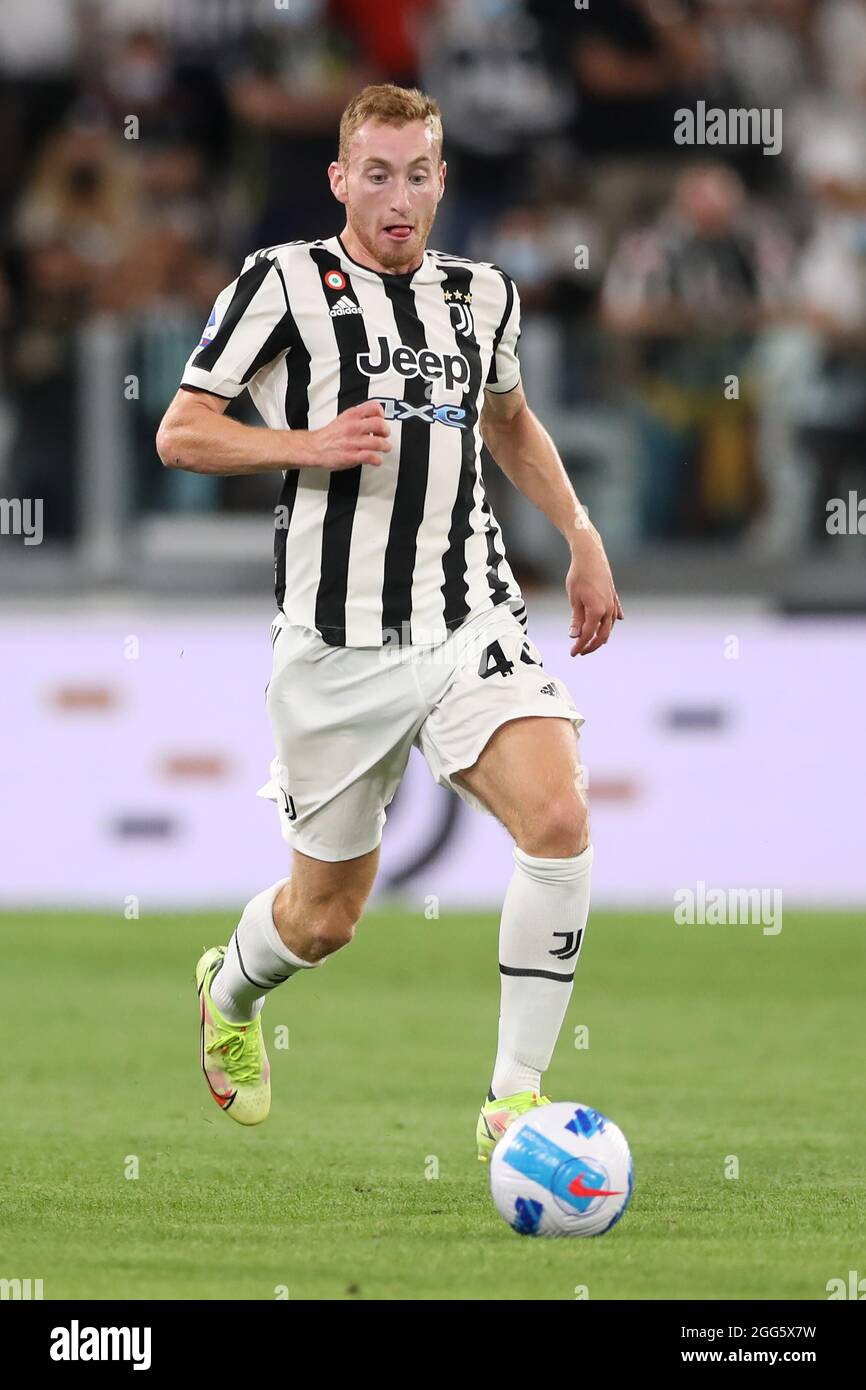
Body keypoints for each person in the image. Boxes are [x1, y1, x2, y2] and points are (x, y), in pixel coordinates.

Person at [155, 84, 622, 1161]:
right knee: (323, 920)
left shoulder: (483, 296)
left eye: (417, 173)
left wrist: (580, 532)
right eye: (376, 173)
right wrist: (306, 445)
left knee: (556, 819)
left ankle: (512, 1101)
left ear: (442, 180)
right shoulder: (281, 282)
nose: (398, 195)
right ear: (339, 180)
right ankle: (226, 994)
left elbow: (506, 421)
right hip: (336, 645)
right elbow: (182, 433)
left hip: (470, 618)